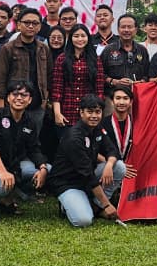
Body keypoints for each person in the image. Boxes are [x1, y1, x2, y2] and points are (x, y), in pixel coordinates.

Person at [0, 81, 48, 223]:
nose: (19, 98)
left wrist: (43, 168)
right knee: (0, 184)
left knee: (48, 169)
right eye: (15, 94)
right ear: (8, 98)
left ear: (30, 100)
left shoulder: (30, 121)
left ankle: (5, 200)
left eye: (24, 95)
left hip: (13, 166)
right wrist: (2, 171)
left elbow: (34, 149)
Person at [47, 95, 118, 227]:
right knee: (83, 221)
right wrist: (107, 204)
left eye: (98, 112)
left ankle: (95, 204)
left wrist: (109, 165)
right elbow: (87, 173)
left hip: (87, 178)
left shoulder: (98, 129)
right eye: (90, 112)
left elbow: (112, 150)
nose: (94, 116)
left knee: (119, 167)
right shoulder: (74, 137)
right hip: (68, 182)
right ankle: (69, 205)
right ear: (81, 112)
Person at [0, 8, 53, 128]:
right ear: (19, 25)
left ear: (39, 27)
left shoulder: (44, 49)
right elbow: (0, 80)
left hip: (37, 106)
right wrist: (2, 109)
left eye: (35, 23)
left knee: (33, 138)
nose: (31, 26)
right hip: (14, 105)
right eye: (27, 22)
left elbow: (49, 77)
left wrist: (44, 101)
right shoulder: (8, 48)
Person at [52, 24, 102, 134]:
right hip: (66, 111)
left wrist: (97, 112)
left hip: (88, 112)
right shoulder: (62, 59)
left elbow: (99, 89)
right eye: (76, 36)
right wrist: (57, 113)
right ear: (71, 38)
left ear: (88, 38)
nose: (80, 39)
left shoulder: (95, 59)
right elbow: (57, 88)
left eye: (83, 36)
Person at [95, 84, 135, 203]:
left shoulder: (137, 124)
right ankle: (101, 203)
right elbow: (93, 151)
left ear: (131, 102)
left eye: (125, 98)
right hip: (108, 166)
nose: (121, 102)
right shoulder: (101, 124)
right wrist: (117, 166)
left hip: (131, 168)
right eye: (118, 98)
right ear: (112, 101)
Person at [100, 13, 150, 93]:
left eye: (130, 27)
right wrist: (114, 81)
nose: (126, 30)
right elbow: (99, 74)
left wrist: (141, 82)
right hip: (114, 96)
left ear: (136, 29)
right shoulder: (108, 50)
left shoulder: (142, 50)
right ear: (118, 29)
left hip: (137, 95)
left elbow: (148, 75)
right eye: (123, 27)